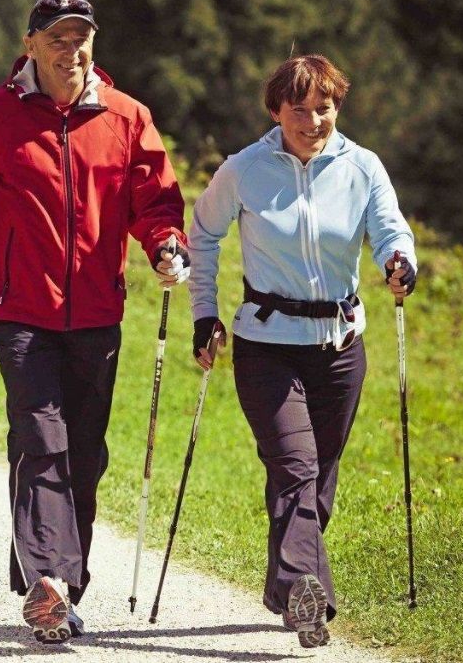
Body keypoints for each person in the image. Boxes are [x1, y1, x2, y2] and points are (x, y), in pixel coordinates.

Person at [0, 0, 191, 644]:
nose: (70, 51)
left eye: (80, 38)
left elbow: (155, 201)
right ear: (30, 46)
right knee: (40, 438)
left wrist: (166, 245)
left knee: (84, 454)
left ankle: (63, 591)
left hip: (97, 313)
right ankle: (48, 578)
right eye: (56, 39)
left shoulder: (127, 117)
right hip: (20, 312)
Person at [188, 54, 417, 648]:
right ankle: (306, 593)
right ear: (275, 111)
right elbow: (203, 234)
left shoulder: (362, 166)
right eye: (300, 109)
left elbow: (390, 228)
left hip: (341, 347)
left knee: (318, 480)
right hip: (267, 346)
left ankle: (284, 587)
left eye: (325, 107)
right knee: (296, 467)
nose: (314, 121)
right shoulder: (244, 169)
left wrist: (399, 260)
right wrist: (205, 312)